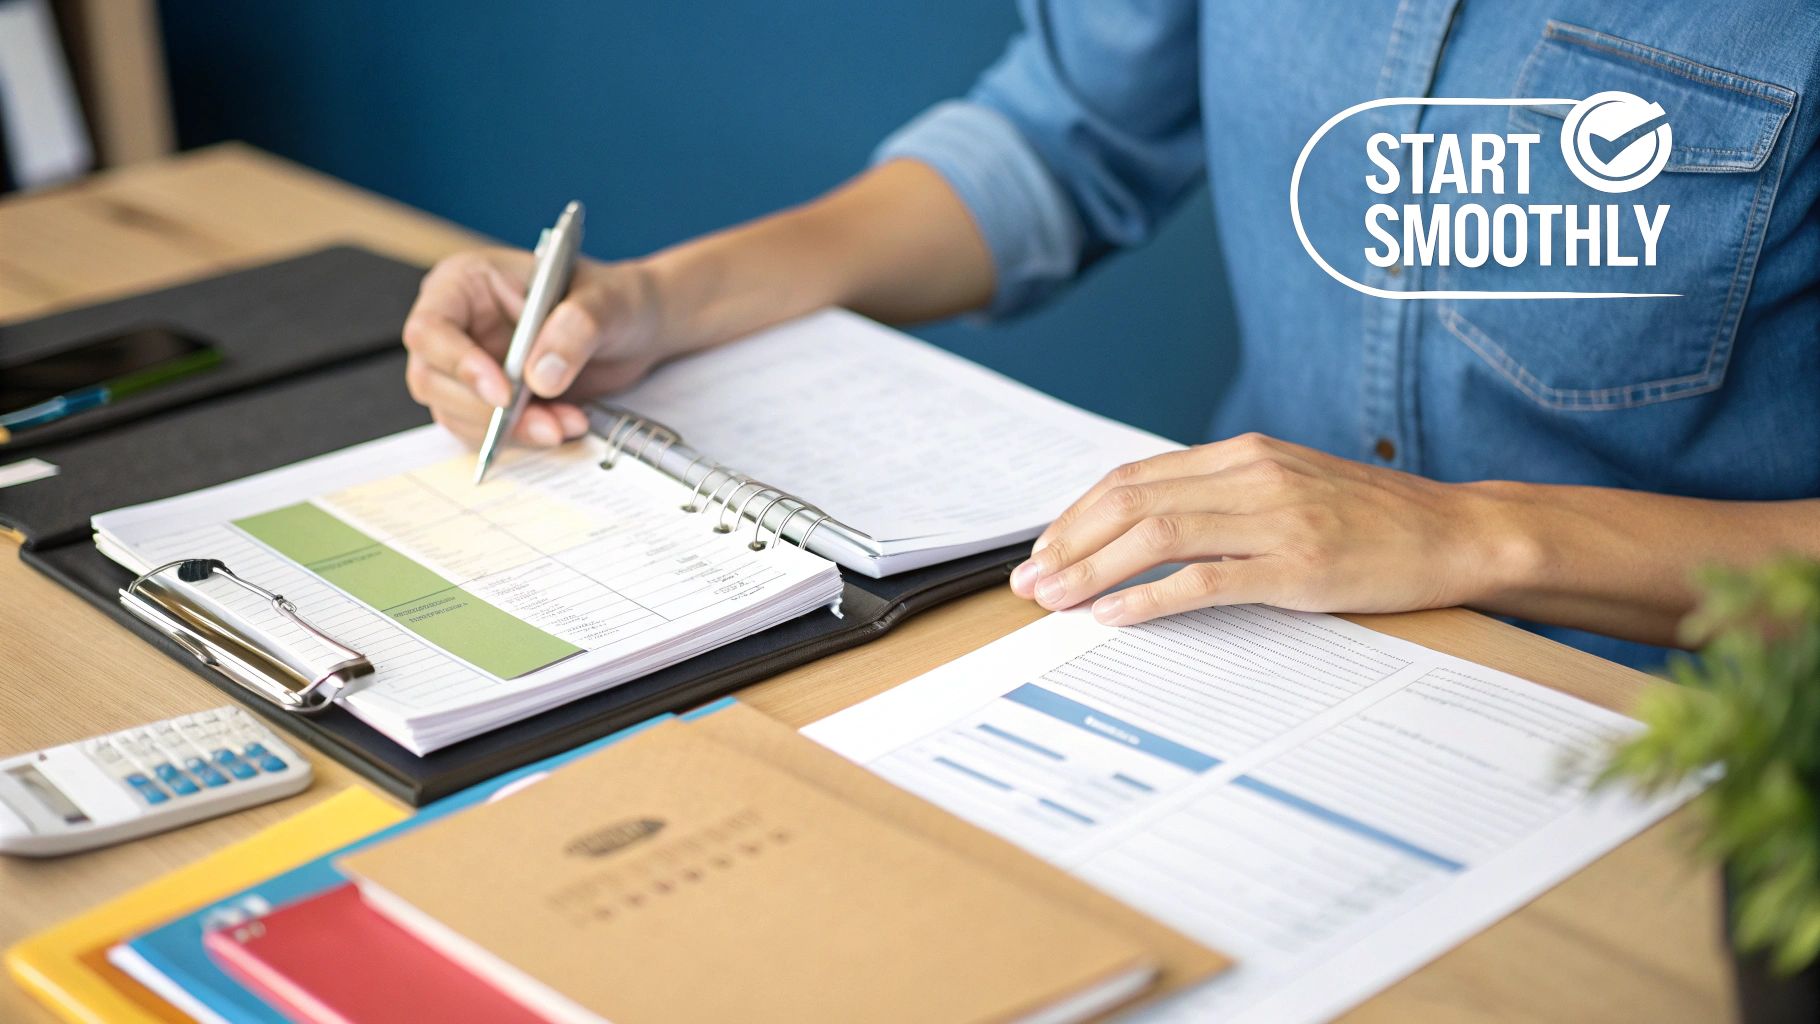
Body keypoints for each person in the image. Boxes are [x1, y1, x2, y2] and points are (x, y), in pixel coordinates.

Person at [402, 1, 1819, 668]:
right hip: (1224, 638)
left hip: (1696, 741)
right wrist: (657, 300)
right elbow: (1058, 139)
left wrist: (1472, 535)